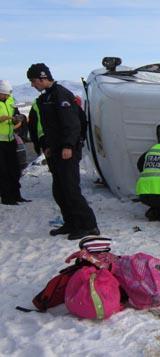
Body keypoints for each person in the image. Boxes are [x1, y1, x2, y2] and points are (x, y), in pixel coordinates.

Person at [27, 63, 100, 240]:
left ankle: (89, 225)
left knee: (71, 189)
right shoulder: (46, 98)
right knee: (59, 190)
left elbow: (72, 124)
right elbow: (49, 126)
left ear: (43, 78)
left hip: (68, 151)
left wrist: (68, 146)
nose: (32, 85)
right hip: (55, 151)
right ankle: (71, 222)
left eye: (33, 81)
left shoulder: (60, 95)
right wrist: (47, 146)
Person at [0, 79, 28, 204]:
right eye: (4, 94)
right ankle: (7, 198)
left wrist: (17, 119)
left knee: (15, 169)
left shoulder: (11, 100)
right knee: (3, 171)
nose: (6, 96)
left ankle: (17, 195)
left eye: (7, 94)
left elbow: (16, 115)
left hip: (10, 140)